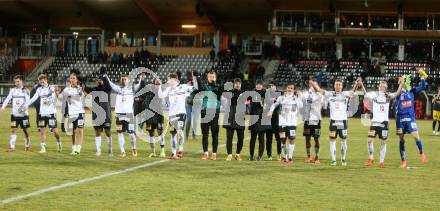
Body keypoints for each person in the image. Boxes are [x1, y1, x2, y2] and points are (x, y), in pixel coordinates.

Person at [311, 78, 359, 166]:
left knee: (343, 140)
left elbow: (353, 91)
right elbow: (319, 90)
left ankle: (343, 159)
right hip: (333, 121)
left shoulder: (345, 94)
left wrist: (356, 84)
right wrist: (313, 83)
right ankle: (333, 160)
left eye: (339, 85)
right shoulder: (330, 94)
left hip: (343, 121)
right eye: (336, 84)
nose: (338, 86)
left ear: (342, 86)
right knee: (332, 141)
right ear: (334, 86)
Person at [360, 79, 403, 168]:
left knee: (383, 142)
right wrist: (361, 84)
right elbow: (365, 94)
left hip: (384, 123)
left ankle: (381, 162)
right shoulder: (374, 95)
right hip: (374, 122)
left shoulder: (388, 96)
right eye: (381, 85)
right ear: (378, 86)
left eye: (384, 86)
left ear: (386, 88)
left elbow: (397, 93)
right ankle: (371, 158)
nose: (382, 87)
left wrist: (402, 83)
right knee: (369, 140)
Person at [102, 71, 141, 157]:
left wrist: (141, 79)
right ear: (120, 80)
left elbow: (139, 86)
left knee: (131, 134)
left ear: (128, 80)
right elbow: (110, 84)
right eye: (122, 79)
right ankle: (122, 151)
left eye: (125, 79)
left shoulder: (132, 89)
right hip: (119, 114)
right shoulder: (118, 89)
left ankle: (133, 148)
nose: (123, 80)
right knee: (120, 133)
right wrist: (106, 76)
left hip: (129, 114)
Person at [158, 73, 196, 159]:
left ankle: (180, 150)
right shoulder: (168, 89)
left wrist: (194, 82)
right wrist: (160, 86)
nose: (168, 81)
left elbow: (194, 88)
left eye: (169, 79)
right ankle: (173, 153)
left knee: (180, 131)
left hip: (181, 113)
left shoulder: (183, 87)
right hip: (172, 114)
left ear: (174, 80)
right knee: (173, 134)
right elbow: (161, 95)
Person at [395, 70, 428, 168]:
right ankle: (403, 161)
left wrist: (422, 77)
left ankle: (421, 153)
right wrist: (401, 83)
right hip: (400, 119)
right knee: (401, 139)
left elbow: (423, 87)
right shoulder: (398, 92)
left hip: (410, 118)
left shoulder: (412, 91)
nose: (399, 80)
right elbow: (397, 92)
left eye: (401, 79)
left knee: (416, 136)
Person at [26, 74, 62, 153]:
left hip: (51, 113)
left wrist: (57, 91)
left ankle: (59, 141)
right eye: (40, 82)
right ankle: (43, 148)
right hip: (42, 114)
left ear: (46, 80)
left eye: (43, 82)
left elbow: (58, 92)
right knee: (42, 131)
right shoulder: (39, 90)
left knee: (54, 131)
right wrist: (26, 105)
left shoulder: (52, 87)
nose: (42, 84)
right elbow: (33, 98)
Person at [268, 83, 303, 163]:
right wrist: (271, 111)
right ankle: (284, 157)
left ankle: (290, 158)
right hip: (282, 123)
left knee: (291, 140)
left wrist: (299, 97)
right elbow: (274, 104)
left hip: (292, 124)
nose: (289, 89)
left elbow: (301, 106)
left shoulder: (295, 98)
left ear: (294, 90)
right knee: (282, 140)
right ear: (286, 88)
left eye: (291, 88)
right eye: (288, 88)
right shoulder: (281, 98)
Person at [194, 70, 223, 160]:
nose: (211, 78)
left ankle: (214, 153)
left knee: (215, 134)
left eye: (213, 77)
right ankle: (205, 153)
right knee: (205, 134)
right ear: (207, 77)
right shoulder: (205, 86)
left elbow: (221, 92)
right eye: (210, 77)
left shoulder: (218, 87)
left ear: (216, 78)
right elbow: (200, 88)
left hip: (214, 112)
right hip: (205, 112)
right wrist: (198, 77)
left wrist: (218, 83)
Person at [84, 72, 113, 156]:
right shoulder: (94, 89)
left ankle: (110, 149)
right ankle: (98, 150)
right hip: (97, 114)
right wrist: (83, 84)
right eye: (98, 80)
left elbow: (109, 86)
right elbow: (86, 90)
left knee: (107, 131)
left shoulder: (107, 89)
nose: (99, 81)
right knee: (97, 132)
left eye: (100, 80)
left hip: (106, 113)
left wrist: (104, 77)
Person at [0, 75, 31, 152]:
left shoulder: (26, 90)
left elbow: (28, 101)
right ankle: (12, 147)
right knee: (13, 130)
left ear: (21, 81)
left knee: (25, 130)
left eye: (18, 81)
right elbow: (7, 99)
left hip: (24, 115)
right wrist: (2, 107)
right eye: (15, 82)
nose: (16, 83)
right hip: (14, 115)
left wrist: (25, 107)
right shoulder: (13, 90)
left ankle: (27, 144)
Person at [62, 72, 85, 155]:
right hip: (71, 113)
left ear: (77, 80)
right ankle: (73, 147)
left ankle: (78, 148)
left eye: (73, 78)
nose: (72, 80)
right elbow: (65, 95)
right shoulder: (66, 89)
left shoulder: (79, 88)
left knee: (79, 130)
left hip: (79, 112)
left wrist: (77, 91)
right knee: (72, 132)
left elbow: (79, 97)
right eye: (71, 78)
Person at [142, 78, 165, 158]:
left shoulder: (160, 92)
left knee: (160, 133)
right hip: (149, 117)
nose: (157, 85)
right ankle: (153, 152)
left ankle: (162, 151)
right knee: (151, 134)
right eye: (156, 83)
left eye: (158, 84)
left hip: (158, 115)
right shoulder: (148, 92)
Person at [302, 80, 324, 164]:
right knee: (307, 139)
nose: (313, 85)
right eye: (312, 84)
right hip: (307, 120)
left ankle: (317, 157)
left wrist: (313, 84)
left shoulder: (320, 95)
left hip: (316, 120)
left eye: (315, 84)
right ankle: (308, 156)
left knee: (316, 139)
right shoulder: (307, 94)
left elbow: (319, 91)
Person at [223, 78, 245, 161]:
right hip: (230, 117)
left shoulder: (244, 93)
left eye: (239, 83)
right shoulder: (229, 92)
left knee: (241, 138)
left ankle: (238, 154)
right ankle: (229, 154)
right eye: (236, 83)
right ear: (234, 84)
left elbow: (248, 101)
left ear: (241, 84)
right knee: (229, 137)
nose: (237, 84)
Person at [248, 79, 269, 161]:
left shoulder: (266, 93)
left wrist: (264, 104)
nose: (258, 85)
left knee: (261, 138)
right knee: (252, 138)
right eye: (257, 84)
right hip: (253, 117)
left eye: (260, 84)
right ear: (255, 85)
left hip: (262, 117)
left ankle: (260, 155)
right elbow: (246, 101)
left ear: (262, 85)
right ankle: (251, 155)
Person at [265, 83, 281, 160]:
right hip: (268, 119)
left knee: (279, 139)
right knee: (269, 139)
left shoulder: (279, 95)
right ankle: (269, 155)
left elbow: (278, 104)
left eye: (272, 86)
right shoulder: (266, 95)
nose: (271, 87)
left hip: (277, 120)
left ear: (275, 87)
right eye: (269, 86)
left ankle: (279, 154)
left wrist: (274, 100)